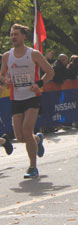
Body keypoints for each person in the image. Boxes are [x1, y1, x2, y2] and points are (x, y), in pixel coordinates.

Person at [0, 24, 55, 178]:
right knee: (20, 137)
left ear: (24, 36)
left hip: (32, 97)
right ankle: (37, 139)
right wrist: (5, 80)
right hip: (16, 98)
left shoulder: (33, 54)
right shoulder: (7, 56)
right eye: (11, 34)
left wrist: (39, 84)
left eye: (16, 34)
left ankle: (32, 167)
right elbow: (2, 75)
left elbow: (50, 72)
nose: (13, 37)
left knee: (26, 130)